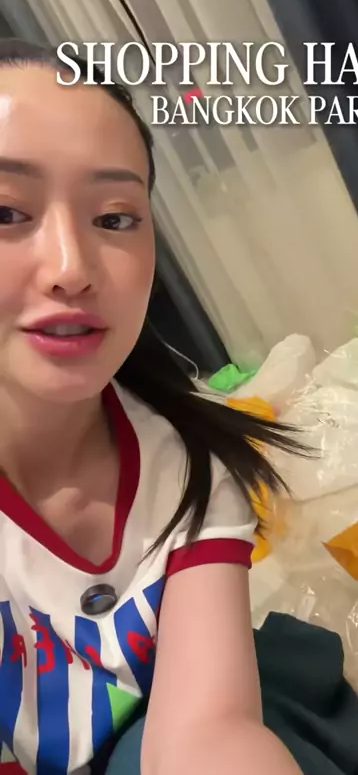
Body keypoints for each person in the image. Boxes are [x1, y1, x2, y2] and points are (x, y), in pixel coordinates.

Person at [0, 39, 305, 775]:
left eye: (114, 218)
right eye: (6, 210)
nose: (72, 269)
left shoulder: (188, 462)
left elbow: (209, 733)